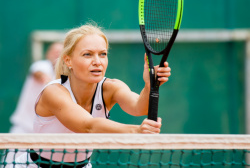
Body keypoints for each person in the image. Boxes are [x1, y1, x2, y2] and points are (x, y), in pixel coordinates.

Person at [15, 23, 171, 168]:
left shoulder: (111, 87)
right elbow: (87, 126)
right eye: (87, 54)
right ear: (68, 60)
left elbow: (139, 107)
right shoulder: (54, 92)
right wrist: (136, 131)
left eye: (102, 54)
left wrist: (149, 86)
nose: (97, 62)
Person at [9, 42, 63, 134]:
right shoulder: (41, 65)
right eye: (54, 51)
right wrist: (46, 79)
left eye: (60, 52)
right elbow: (39, 73)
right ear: (47, 54)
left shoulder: (65, 76)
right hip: (23, 128)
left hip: (44, 132)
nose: (57, 54)